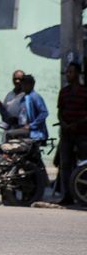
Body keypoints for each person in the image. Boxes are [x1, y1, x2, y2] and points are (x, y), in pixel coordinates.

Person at [56, 63, 87, 205]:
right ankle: (67, 195)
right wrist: (63, 123)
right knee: (65, 165)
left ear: (78, 74)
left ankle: (82, 193)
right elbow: (60, 111)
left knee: (84, 164)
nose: (68, 75)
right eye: (67, 72)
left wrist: (77, 123)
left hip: (82, 133)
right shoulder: (64, 92)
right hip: (66, 133)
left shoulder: (84, 92)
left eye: (71, 72)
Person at [20, 74, 49, 142]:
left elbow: (44, 113)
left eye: (24, 84)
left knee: (10, 134)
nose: (22, 86)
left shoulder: (35, 97)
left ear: (30, 85)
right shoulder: (24, 97)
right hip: (28, 132)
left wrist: (31, 125)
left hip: (37, 133)